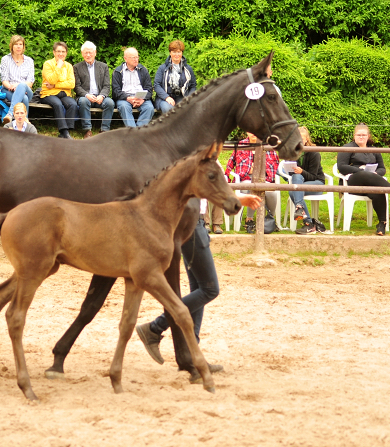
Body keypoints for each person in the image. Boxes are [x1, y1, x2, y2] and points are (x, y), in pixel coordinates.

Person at [136, 193, 262, 370]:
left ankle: (192, 353)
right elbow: (213, 190)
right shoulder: (204, 164)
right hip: (193, 224)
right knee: (210, 289)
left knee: (199, 288)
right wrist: (239, 200)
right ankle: (155, 327)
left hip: (190, 222)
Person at [338, 123, 390, 236]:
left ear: (368, 136)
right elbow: (341, 167)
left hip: (370, 182)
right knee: (364, 174)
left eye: (364, 135)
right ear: (354, 136)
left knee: (378, 191)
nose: (361, 137)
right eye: (359, 135)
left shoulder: (373, 149)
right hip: (353, 182)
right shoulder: (348, 147)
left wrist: (375, 173)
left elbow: (382, 168)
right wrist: (359, 170)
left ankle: (382, 224)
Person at [224, 132, 280, 233]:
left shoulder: (267, 145)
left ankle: (270, 218)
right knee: (252, 188)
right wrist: (228, 180)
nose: (253, 133)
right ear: (246, 132)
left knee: (272, 192)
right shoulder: (241, 145)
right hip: (245, 178)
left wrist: (260, 170)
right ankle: (249, 219)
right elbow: (231, 163)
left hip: (264, 178)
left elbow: (275, 164)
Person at [73, 41, 114, 138]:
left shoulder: (103, 67)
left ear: (95, 53)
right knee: (83, 101)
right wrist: (87, 95)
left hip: (100, 96)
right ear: (82, 54)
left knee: (110, 103)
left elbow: (107, 85)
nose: (88, 55)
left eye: (90, 52)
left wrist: (102, 95)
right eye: (85, 53)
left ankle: (104, 130)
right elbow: (77, 86)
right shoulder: (76, 67)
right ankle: (87, 130)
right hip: (85, 96)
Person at [289, 127, 326, 234]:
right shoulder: (293, 153)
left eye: (301, 138)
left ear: (306, 140)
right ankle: (308, 223)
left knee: (294, 190)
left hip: (317, 182)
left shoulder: (314, 153)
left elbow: (314, 176)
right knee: (294, 187)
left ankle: (308, 222)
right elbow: (290, 175)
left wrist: (302, 172)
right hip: (300, 183)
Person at [40, 42, 77, 139]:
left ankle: (66, 131)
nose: (61, 54)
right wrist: (58, 66)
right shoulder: (48, 64)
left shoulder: (69, 66)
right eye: (58, 51)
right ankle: (64, 131)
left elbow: (71, 84)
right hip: (48, 94)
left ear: (66, 53)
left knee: (72, 104)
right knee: (57, 104)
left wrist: (55, 85)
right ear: (54, 52)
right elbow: (51, 80)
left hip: (64, 93)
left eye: (63, 51)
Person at [112, 47, 155, 128]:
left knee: (149, 108)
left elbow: (149, 89)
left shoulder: (143, 70)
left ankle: (138, 132)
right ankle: (133, 132)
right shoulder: (118, 71)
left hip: (141, 98)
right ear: (125, 58)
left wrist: (143, 99)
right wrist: (128, 98)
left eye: (137, 57)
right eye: (133, 57)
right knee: (124, 107)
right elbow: (116, 91)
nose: (136, 59)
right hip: (125, 99)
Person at [153, 40, 197, 114]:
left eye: (179, 52)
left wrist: (189, 98)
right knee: (168, 110)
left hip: (182, 97)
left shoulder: (188, 69)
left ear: (182, 53)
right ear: (170, 53)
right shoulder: (162, 68)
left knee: (185, 109)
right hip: (165, 98)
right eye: (174, 52)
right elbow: (157, 85)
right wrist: (167, 97)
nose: (176, 54)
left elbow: (193, 86)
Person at [0, 35, 35, 125]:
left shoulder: (29, 61)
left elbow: (30, 82)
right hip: (9, 90)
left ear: (23, 46)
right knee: (24, 99)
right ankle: (25, 122)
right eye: (16, 44)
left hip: (27, 90)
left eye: (20, 44)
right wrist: (11, 87)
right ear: (11, 46)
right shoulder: (5, 59)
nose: (18, 46)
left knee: (22, 86)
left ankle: (10, 114)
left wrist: (18, 86)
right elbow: (4, 80)